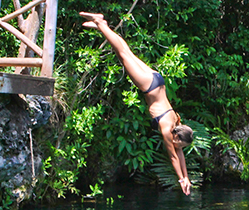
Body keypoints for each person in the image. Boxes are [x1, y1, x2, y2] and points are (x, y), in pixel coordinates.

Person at [80, 12, 194, 195]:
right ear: (177, 138)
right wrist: (181, 179)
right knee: (124, 55)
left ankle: (103, 28)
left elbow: (178, 152)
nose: (180, 149)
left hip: (157, 80)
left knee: (126, 53)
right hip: (148, 86)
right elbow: (173, 155)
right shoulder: (167, 128)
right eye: (181, 145)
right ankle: (100, 23)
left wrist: (186, 176)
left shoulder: (176, 124)